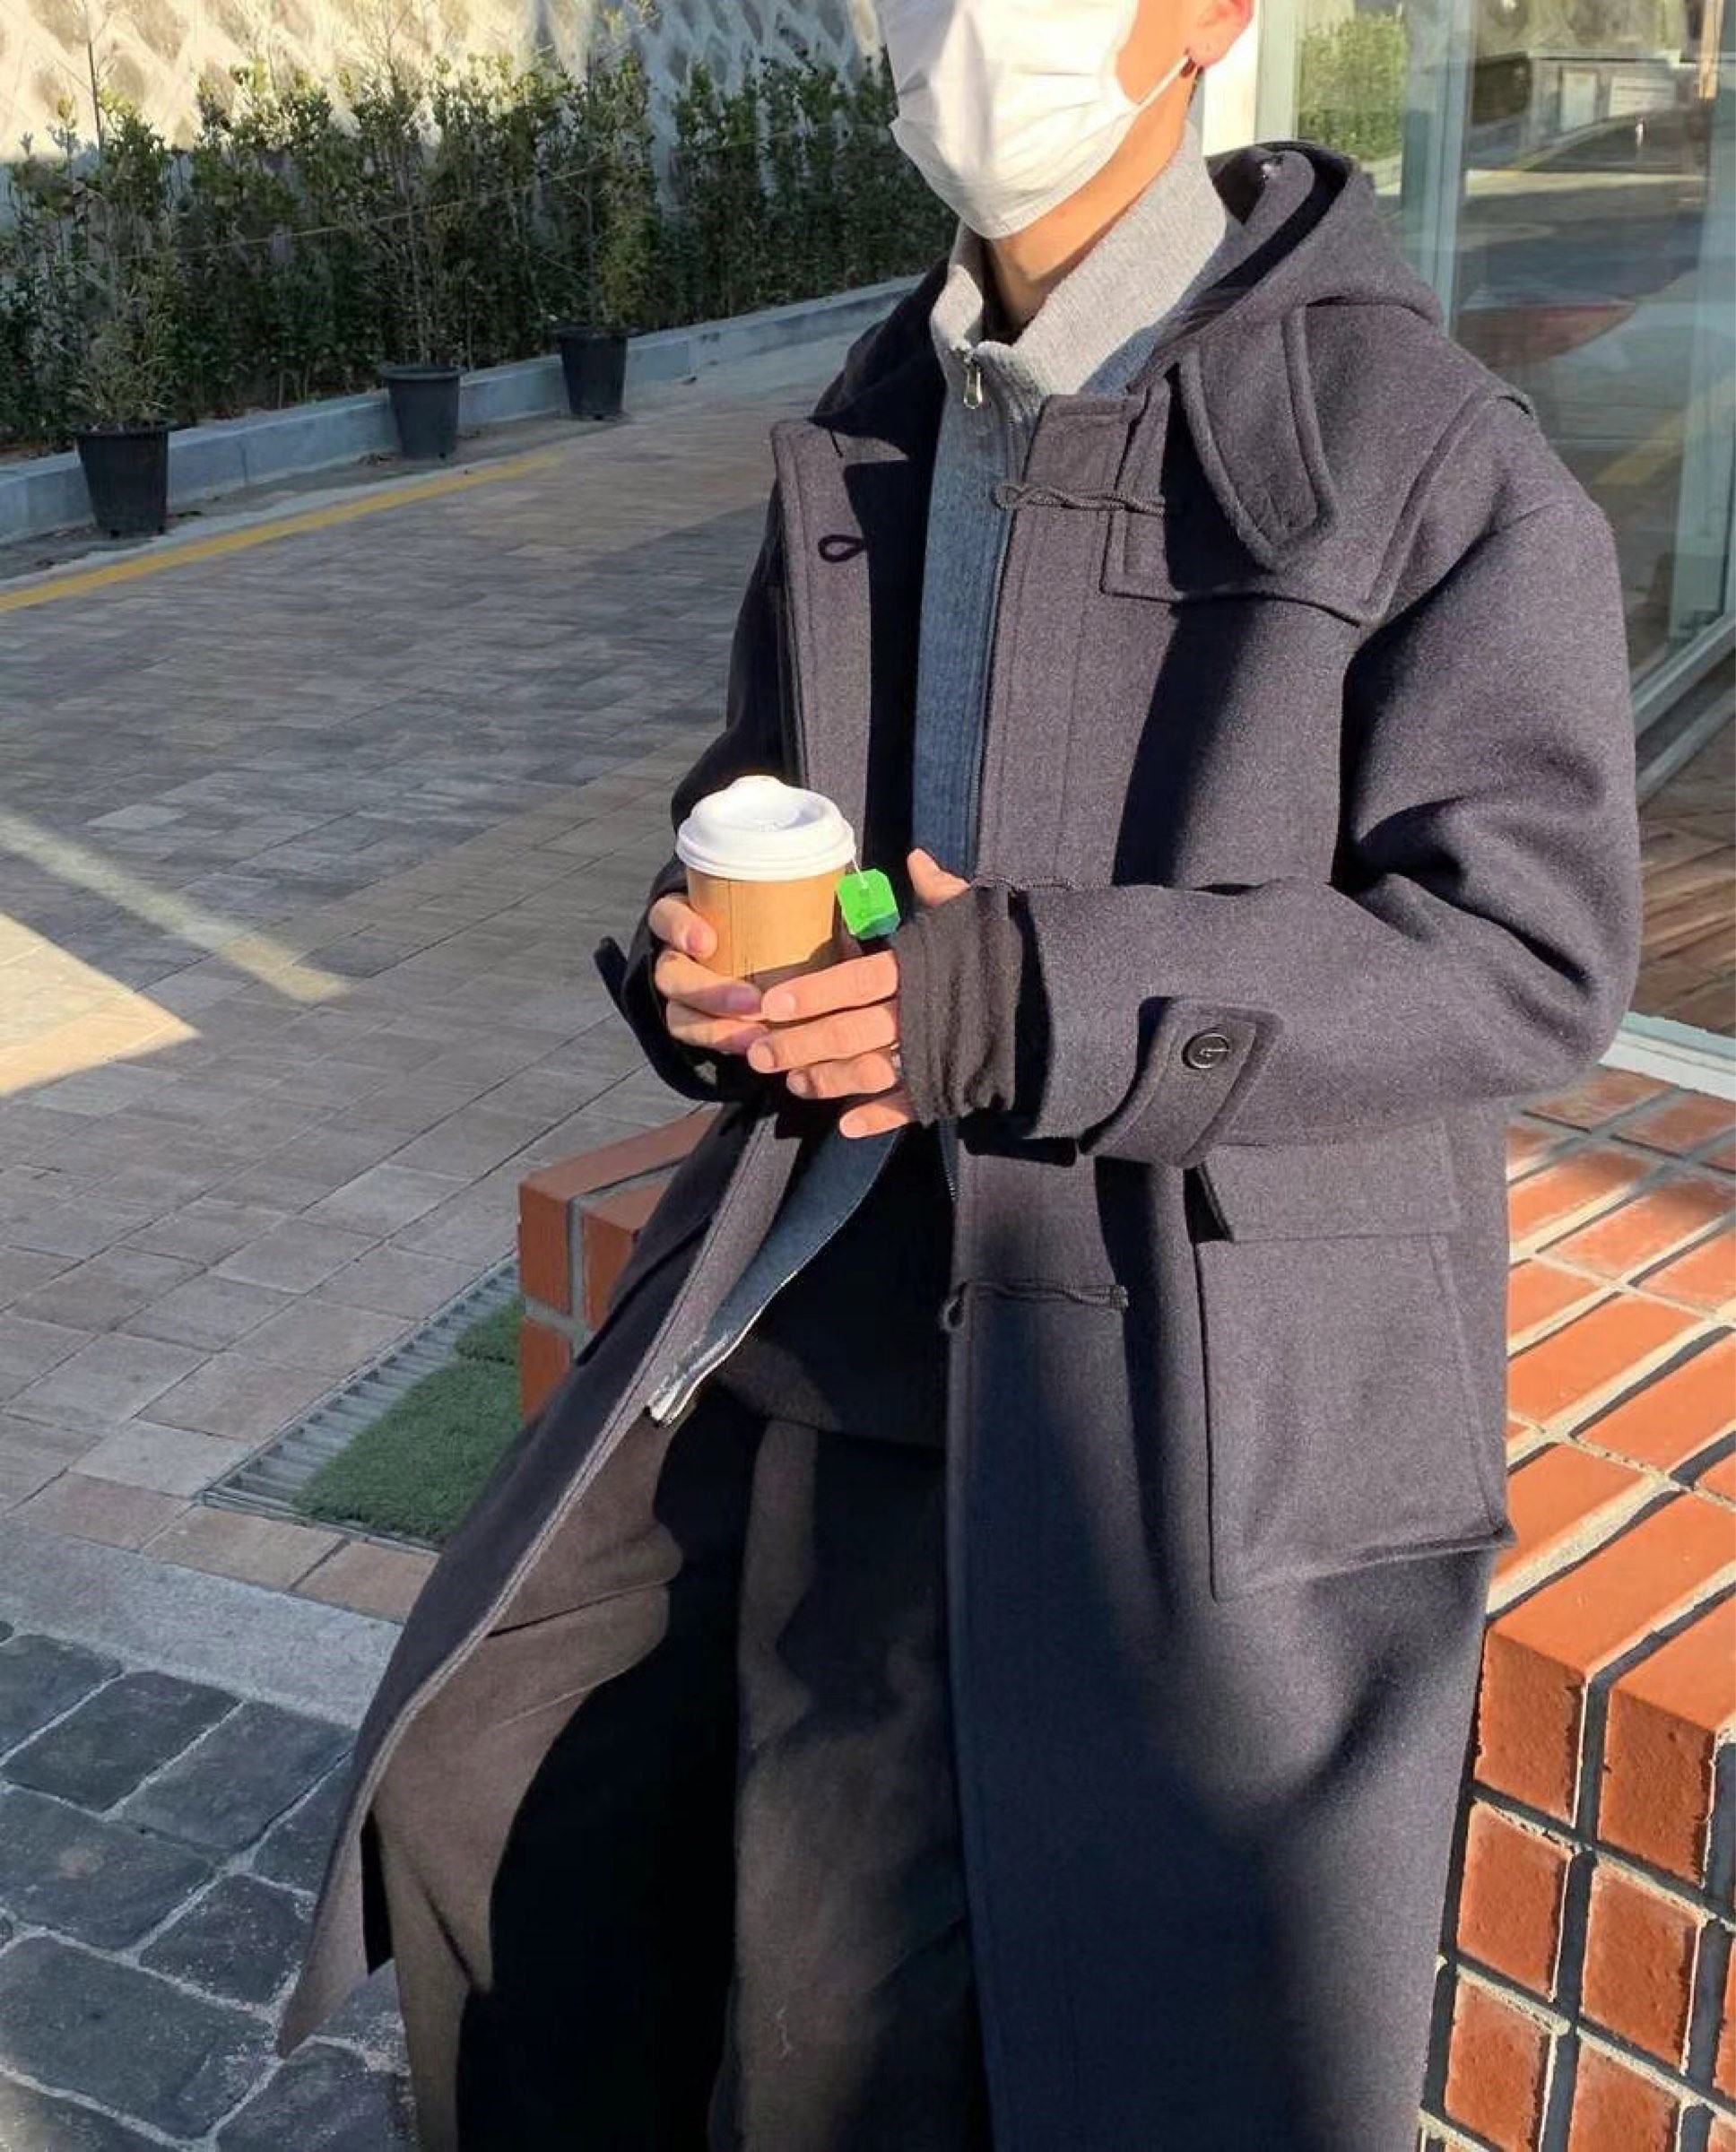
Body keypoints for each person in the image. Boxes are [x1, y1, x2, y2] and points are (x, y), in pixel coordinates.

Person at [278, 1, 1644, 2145]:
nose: (957, 28)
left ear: (1209, 18)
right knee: (525, 1830)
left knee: (887, 2040)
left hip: (1154, 1415)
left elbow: (1524, 954)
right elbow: (795, 812)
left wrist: (1010, 994)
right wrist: (719, 963)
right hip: (808, 1319)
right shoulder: (886, 405)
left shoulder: (1412, 445)